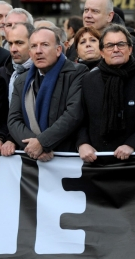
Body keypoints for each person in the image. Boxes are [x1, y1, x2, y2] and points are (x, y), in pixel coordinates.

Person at [77, 25, 135, 162]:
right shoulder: (88, 80)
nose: (115, 49)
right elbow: (79, 119)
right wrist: (82, 144)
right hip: (96, 161)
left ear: (130, 49)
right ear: (101, 52)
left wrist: (132, 144)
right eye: (109, 45)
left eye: (121, 44)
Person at [8, 27, 88, 160]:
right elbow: (13, 120)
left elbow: (74, 114)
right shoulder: (21, 81)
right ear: (30, 52)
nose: (38, 51)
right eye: (33, 46)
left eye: (45, 45)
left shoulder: (77, 72)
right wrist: (36, 146)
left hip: (67, 156)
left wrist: (42, 143)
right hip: (32, 157)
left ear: (58, 50)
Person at [0, 22, 35, 156]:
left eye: (19, 43)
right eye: (10, 43)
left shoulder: (42, 73)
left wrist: (13, 139)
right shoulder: (2, 73)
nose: (13, 49)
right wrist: (1, 138)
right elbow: (3, 114)